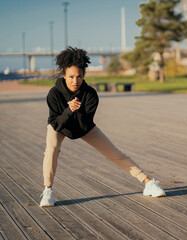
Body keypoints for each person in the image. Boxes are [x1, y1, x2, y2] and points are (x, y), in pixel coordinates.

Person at [40, 47, 165, 207]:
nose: (75, 81)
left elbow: (85, 124)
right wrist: (69, 110)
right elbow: (56, 123)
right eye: (71, 77)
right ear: (64, 75)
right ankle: (48, 191)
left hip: (84, 127)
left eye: (79, 77)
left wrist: (76, 110)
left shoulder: (90, 94)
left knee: (115, 154)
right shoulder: (54, 94)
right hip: (60, 126)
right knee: (51, 150)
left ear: (83, 75)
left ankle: (149, 183)